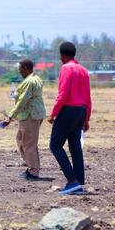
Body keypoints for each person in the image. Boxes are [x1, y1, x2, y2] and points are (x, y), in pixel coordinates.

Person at [48, 42, 92, 195]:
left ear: (62, 55)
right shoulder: (84, 70)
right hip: (81, 111)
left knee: (55, 144)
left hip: (69, 110)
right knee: (75, 146)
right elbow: (88, 97)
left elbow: (63, 93)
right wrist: (86, 119)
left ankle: (72, 181)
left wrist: (53, 114)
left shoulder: (66, 68)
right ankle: (78, 183)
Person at [2, 59, 46, 180]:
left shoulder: (29, 82)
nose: (19, 71)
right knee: (23, 141)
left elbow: (22, 100)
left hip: (29, 115)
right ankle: (32, 167)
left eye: (20, 69)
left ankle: (33, 171)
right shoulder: (36, 79)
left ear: (25, 68)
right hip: (33, 114)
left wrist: (10, 116)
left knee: (28, 144)